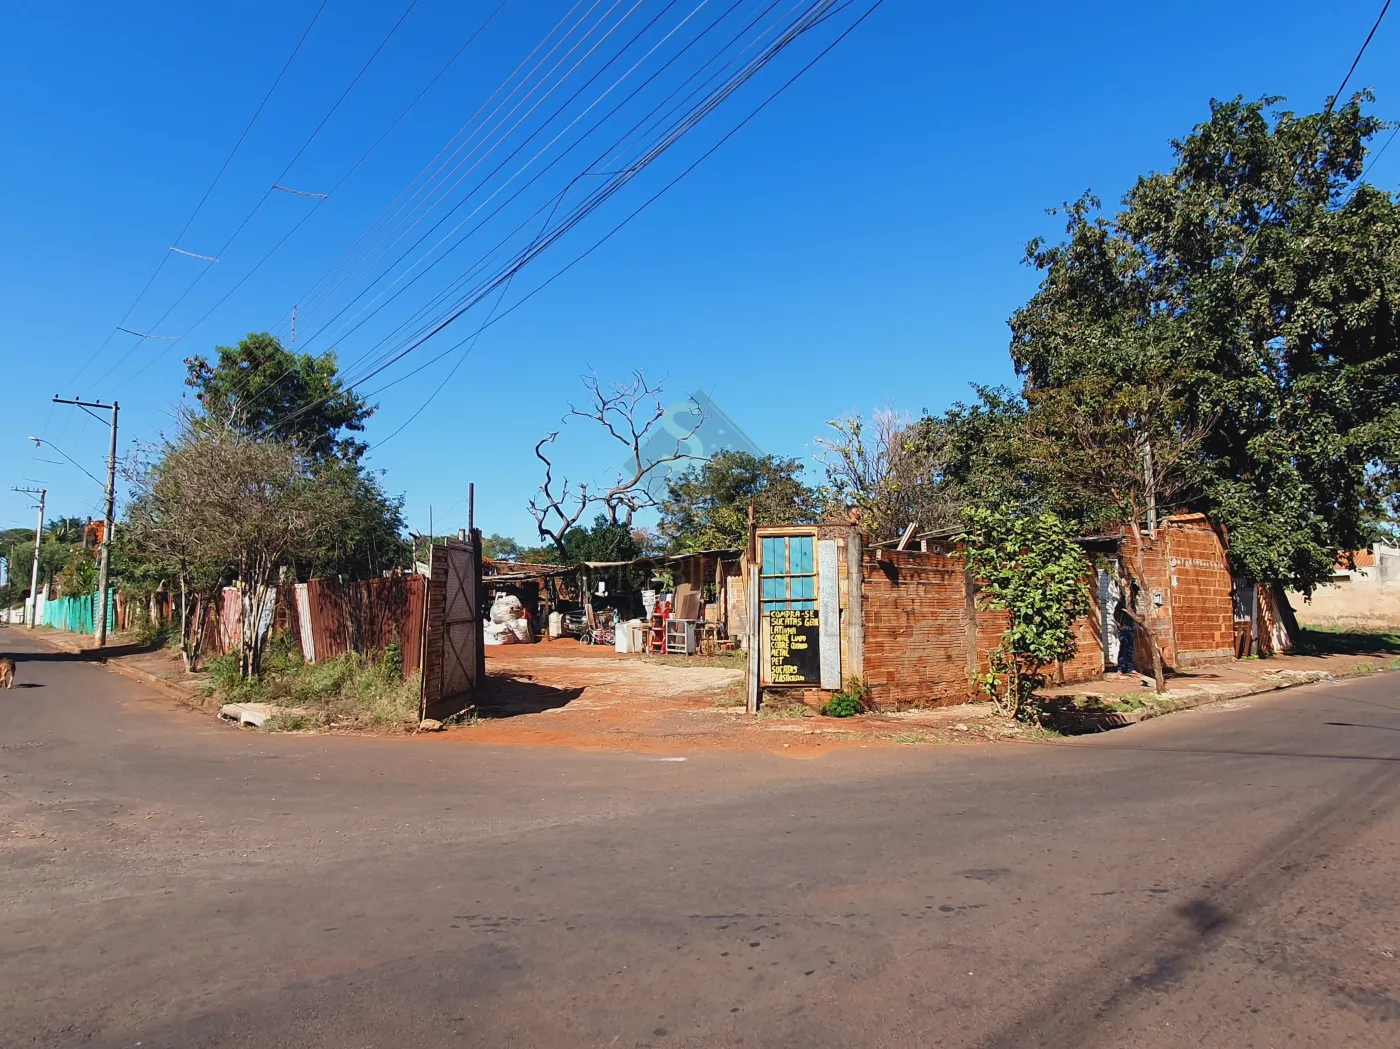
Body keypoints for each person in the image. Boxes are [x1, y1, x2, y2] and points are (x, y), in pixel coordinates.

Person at [1113, 593, 1137, 677]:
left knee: (1130, 648)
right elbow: (1116, 613)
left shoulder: (1132, 602)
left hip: (1129, 627)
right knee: (1123, 647)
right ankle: (1120, 668)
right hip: (1123, 628)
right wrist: (1118, 624)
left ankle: (1130, 668)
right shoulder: (1123, 601)